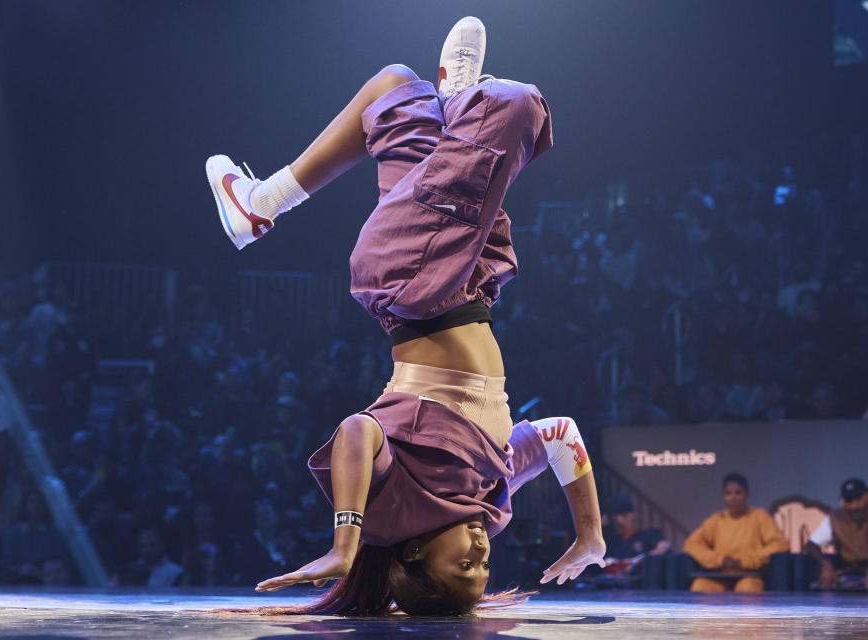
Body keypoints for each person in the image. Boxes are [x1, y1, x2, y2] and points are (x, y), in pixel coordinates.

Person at [206, 17, 606, 616]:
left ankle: (460, 102)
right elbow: (561, 437)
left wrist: (346, 542)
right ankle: (258, 206)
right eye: (484, 563)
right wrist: (589, 536)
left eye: (463, 563)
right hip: (468, 276)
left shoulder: (399, 508)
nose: (479, 547)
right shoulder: (489, 497)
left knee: (516, 106)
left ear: (415, 553)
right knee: (393, 89)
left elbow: (357, 433)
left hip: (413, 280)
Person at [683, 473, 789, 592]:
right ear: (724, 496)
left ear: (747, 495)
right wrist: (720, 560)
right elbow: (691, 544)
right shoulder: (717, 519)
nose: (733, 498)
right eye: (728, 493)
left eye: (738, 493)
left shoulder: (759, 516)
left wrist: (745, 561)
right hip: (720, 575)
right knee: (700, 585)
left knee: (747, 587)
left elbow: (780, 545)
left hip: (750, 575)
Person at [805, 478, 868, 589]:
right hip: (848, 572)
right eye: (849, 501)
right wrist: (826, 563)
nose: (854, 505)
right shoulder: (836, 518)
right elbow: (811, 545)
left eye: (858, 499)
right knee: (821, 587)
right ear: (842, 501)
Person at [600, 494, 669, 584]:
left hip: (638, 590)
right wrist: (599, 525)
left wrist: (639, 561)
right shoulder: (608, 542)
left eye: (623, 515)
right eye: (614, 517)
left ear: (632, 515)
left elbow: (664, 546)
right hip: (609, 590)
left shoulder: (648, 535)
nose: (619, 520)